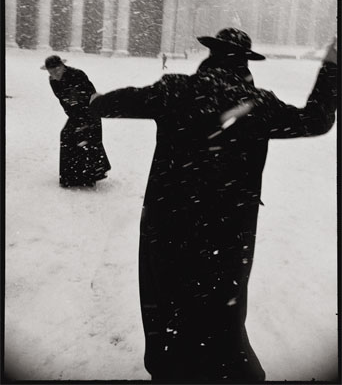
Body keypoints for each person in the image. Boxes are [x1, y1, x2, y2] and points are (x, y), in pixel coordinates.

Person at [89, 29, 337, 382]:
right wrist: (331, 66)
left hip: (167, 220)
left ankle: (170, 369)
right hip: (228, 230)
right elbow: (318, 119)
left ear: (210, 56)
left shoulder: (174, 90)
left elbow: (108, 105)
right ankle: (228, 370)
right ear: (244, 64)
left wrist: (96, 99)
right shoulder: (258, 103)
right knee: (222, 311)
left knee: (166, 303)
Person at [41, 55, 111, 188]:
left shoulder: (77, 74)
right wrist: (73, 115)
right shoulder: (53, 81)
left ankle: (89, 175)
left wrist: (84, 120)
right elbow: (63, 100)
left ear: (62, 67)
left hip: (90, 111)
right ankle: (70, 177)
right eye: (51, 72)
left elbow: (90, 94)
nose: (54, 74)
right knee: (67, 136)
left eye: (56, 70)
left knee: (87, 139)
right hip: (74, 113)